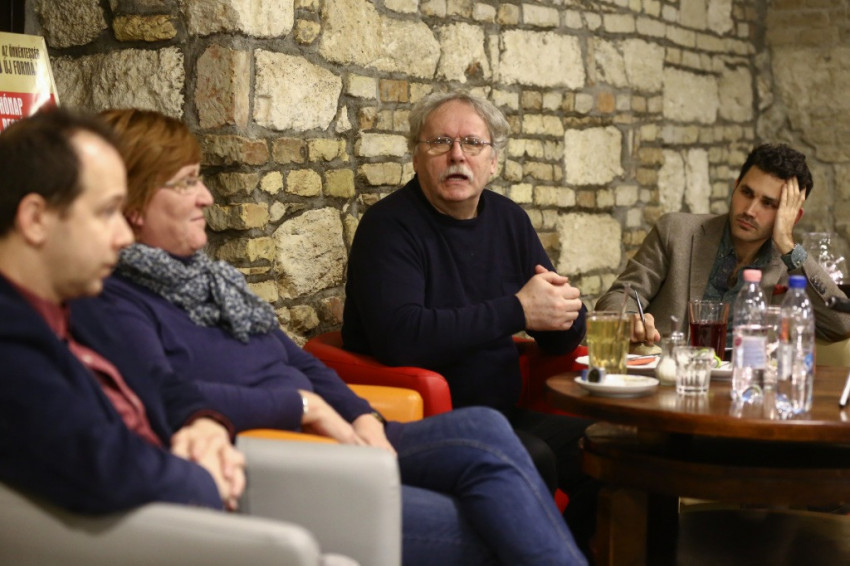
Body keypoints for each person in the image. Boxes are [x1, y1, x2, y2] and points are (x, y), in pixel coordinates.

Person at [91, 108, 588, 566]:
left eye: (472, 143)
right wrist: (305, 407)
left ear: (493, 159)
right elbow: (160, 395)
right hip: (280, 455)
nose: (206, 197)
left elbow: (299, 361)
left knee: (487, 431)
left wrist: (360, 415)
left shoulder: (210, 281)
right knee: (497, 522)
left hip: (330, 434)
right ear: (131, 203)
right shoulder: (113, 297)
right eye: (187, 183)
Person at [340, 90, 596, 555]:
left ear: (493, 161)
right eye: (440, 142)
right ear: (416, 157)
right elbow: (401, 337)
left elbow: (559, 340)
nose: (457, 155)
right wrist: (518, 310)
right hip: (428, 424)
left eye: (472, 143)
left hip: (504, 412)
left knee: (613, 448)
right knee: (533, 455)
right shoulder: (388, 227)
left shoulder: (509, 220)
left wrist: (563, 315)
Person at [0, 108, 245, 515]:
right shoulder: (10, 343)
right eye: (107, 212)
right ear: (36, 219)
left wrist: (203, 426)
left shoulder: (78, 304)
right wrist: (205, 480)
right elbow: (101, 466)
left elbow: (157, 382)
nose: (124, 236)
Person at [596, 143, 850, 346]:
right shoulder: (676, 232)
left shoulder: (791, 268)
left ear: (791, 215)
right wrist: (630, 320)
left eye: (768, 204)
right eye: (746, 193)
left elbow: (841, 325)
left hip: (745, 386)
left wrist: (786, 243)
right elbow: (618, 296)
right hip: (670, 378)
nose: (750, 210)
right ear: (735, 187)